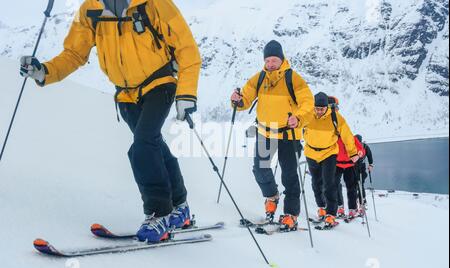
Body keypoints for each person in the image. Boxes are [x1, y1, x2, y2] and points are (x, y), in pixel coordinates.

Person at [19, 0, 202, 243]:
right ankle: (181, 207)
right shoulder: (89, 10)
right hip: (126, 93)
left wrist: (186, 93)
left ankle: (160, 213)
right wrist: (45, 72)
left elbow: (187, 49)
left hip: (160, 83)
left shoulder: (155, 3)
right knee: (151, 143)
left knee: (143, 145)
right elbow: (74, 53)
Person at [230, 40, 314, 231]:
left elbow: (307, 102)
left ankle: (291, 214)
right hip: (264, 133)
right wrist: (237, 100)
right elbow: (245, 99)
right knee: (260, 170)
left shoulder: (294, 79)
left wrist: (299, 118)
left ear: (281, 59)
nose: (270, 64)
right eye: (267, 60)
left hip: (288, 135)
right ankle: (272, 196)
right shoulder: (259, 79)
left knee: (290, 176)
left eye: (274, 60)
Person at [302, 92, 359, 229]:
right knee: (316, 183)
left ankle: (331, 214)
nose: (319, 111)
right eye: (316, 108)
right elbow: (298, 128)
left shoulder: (336, 118)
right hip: (311, 153)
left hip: (329, 153)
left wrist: (353, 153)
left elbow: (347, 136)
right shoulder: (307, 115)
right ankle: (321, 208)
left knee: (329, 184)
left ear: (326, 107)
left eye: (321, 108)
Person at [336, 132, 366, 219]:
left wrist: (360, 153)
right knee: (335, 185)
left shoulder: (352, 138)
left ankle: (352, 209)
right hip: (337, 164)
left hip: (350, 165)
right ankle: (340, 207)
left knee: (351, 187)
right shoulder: (333, 138)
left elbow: (361, 149)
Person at [355, 134, 374, 205]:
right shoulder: (353, 146)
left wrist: (371, 164)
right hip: (353, 167)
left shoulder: (365, 146)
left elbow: (369, 155)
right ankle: (359, 198)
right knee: (356, 184)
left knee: (360, 183)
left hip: (361, 167)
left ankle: (362, 199)